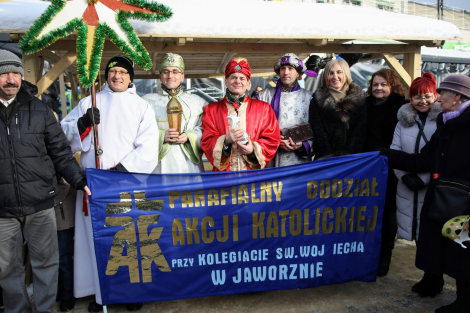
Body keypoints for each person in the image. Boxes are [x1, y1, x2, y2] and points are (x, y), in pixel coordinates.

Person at [61, 55, 159, 312]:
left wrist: (120, 170)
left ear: (130, 77)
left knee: (128, 237)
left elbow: (148, 147)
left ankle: (130, 290)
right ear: (106, 75)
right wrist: (83, 123)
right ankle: (99, 292)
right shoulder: (89, 102)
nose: (117, 76)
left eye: (122, 72)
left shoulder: (141, 107)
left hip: (126, 183)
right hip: (93, 186)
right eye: (113, 71)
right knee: (98, 241)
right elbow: (62, 135)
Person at [0, 49, 90, 313]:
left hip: (40, 204)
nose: (11, 79)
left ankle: (45, 310)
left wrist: (79, 180)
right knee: (7, 268)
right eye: (4, 73)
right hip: (3, 209)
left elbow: (61, 153)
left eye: (15, 73)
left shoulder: (39, 110)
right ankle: (17, 310)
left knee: (46, 263)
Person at [382, 74, 470, 313]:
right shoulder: (446, 122)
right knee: (446, 246)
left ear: (458, 97)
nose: (438, 98)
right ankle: (443, 287)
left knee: (464, 250)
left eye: (443, 93)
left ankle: (465, 302)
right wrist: (387, 154)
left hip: (465, 202)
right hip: (446, 199)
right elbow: (424, 159)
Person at [391, 74, 440, 258]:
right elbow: (395, 151)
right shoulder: (402, 124)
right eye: (418, 96)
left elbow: (441, 157)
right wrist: (404, 176)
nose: (423, 101)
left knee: (431, 234)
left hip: (431, 186)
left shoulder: (441, 122)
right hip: (406, 185)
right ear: (411, 99)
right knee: (416, 233)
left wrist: (423, 179)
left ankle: (433, 277)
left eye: (427, 96)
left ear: (435, 96)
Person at [362, 68, 406, 277]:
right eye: (375, 84)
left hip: (390, 166)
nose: (379, 88)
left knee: (388, 212)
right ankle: (368, 253)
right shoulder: (364, 106)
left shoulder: (401, 108)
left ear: (392, 86)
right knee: (368, 211)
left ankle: (385, 256)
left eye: (383, 84)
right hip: (367, 166)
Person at [201, 57, 280, 171]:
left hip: (254, 177)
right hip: (224, 179)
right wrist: (226, 140)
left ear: (248, 84)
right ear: (226, 82)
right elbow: (206, 141)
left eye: (242, 78)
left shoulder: (264, 108)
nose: (237, 81)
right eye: (233, 77)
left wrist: (253, 150)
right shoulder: (211, 109)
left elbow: (273, 139)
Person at [142, 53, 207, 173]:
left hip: (189, 166)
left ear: (182, 76)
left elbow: (208, 130)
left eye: (175, 71)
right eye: (165, 71)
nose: (170, 75)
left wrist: (190, 136)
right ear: (160, 76)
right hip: (158, 167)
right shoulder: (146, 102)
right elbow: (138, 133)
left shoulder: (198, 102)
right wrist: (161, 135)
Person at [257, 53, 313, 167]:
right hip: (270, 159)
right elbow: (253, 129)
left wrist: (303, 145)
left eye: (290, 68)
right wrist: (273, 141)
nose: (286, 72)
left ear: (298, 73)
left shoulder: (310, 98)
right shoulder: (263, 97)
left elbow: (318, 132)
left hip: (299, 162)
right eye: (283, 68)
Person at [308, 58, 366, 159]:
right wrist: (329, 157)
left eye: (339, 72)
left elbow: (359, 131)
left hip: (353, 159)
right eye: (331, 73)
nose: (335, 77)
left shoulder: (360, 99)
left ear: (346, 73)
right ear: (326, 76)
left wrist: (349, 154)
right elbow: (318, 132)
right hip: (325, 159)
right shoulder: (317, 101)